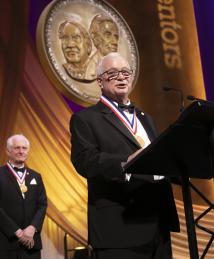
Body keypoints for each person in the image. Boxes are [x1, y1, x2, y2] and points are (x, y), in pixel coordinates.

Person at [70, 52, 180, 259]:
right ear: (100, 81)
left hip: (159, 226)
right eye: (112, 73)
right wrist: (125, 163)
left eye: (125, 72)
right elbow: (85, 161)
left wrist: (178, 167)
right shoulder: (85, 119)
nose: (121, 77)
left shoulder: (146, 118)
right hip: (119, 228)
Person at [0, 134, 47, 259]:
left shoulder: (36, 176)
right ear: (8, 151)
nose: (21, 151)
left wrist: (33, 228)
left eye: (24, 148)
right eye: (17, 148)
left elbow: (42, 205)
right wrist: (17, 232)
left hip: (31, 244)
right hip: (6, 243)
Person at [85, 14, 119, 80]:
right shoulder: (92, 71)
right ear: (95, 38)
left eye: (116, 37)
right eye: (108, 35)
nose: (115, 42)